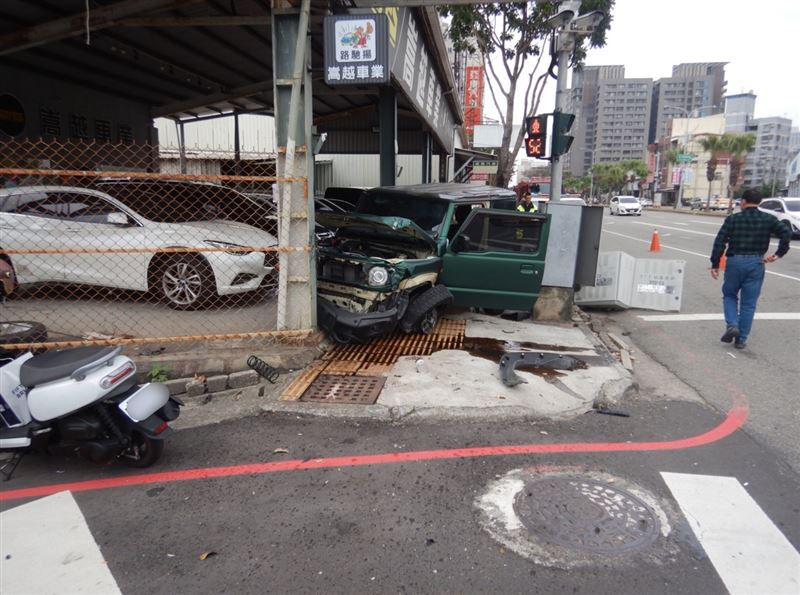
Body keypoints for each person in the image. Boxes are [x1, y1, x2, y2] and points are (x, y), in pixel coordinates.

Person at [709, 188, 791, 349]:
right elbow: (786, 233)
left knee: (730, 295)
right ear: (759, 202)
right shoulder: (768, 219)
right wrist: (777, 254)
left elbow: (720, 242)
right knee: (749, 303)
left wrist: (715, 264)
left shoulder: (733, 219)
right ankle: (741, 339)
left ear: (744, 202)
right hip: (756, 262)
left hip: (734, 261)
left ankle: (732, 324)